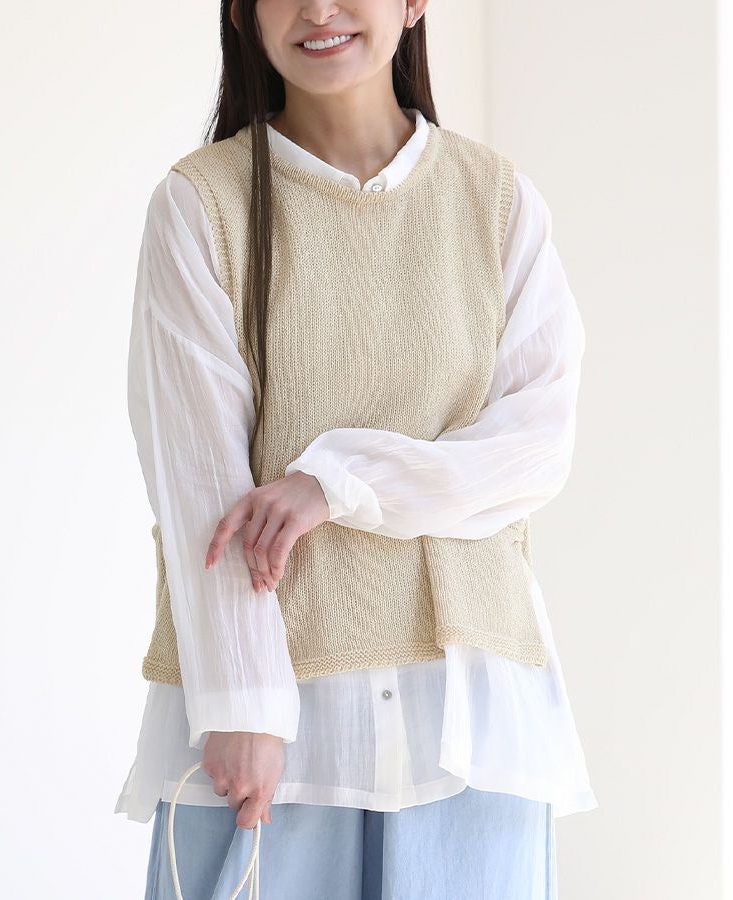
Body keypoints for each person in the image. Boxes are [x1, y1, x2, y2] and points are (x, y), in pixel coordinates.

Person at [114, 1, 598, 897]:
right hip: (283, 727)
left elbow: (535, 444)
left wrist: (334, 482)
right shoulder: (201, 205)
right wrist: (244, 701)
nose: (318, 9)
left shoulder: (496, 200)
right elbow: (197, 482)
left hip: (468, 717)